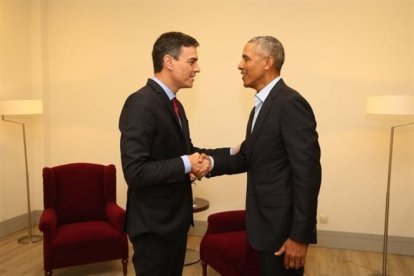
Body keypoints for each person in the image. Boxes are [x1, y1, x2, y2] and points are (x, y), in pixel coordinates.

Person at [207, 36, 321, 276]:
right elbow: (248, 156)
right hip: (264, 228)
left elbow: (307, 175)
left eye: (246, 58)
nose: (240, 65)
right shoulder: (260, 106)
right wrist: (208, 161)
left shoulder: (290, 103)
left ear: (268, 62)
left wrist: (300, 237)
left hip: (282, 232)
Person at [119, 31, 230, 276]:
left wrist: (233, 152)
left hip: (173, 224)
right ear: (169, 62)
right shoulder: (140, 103)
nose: (197, 68)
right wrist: (185, 163)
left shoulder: (174, 104)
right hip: (154, 228)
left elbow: (188, 153)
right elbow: (135, 172)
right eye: (192, 61)